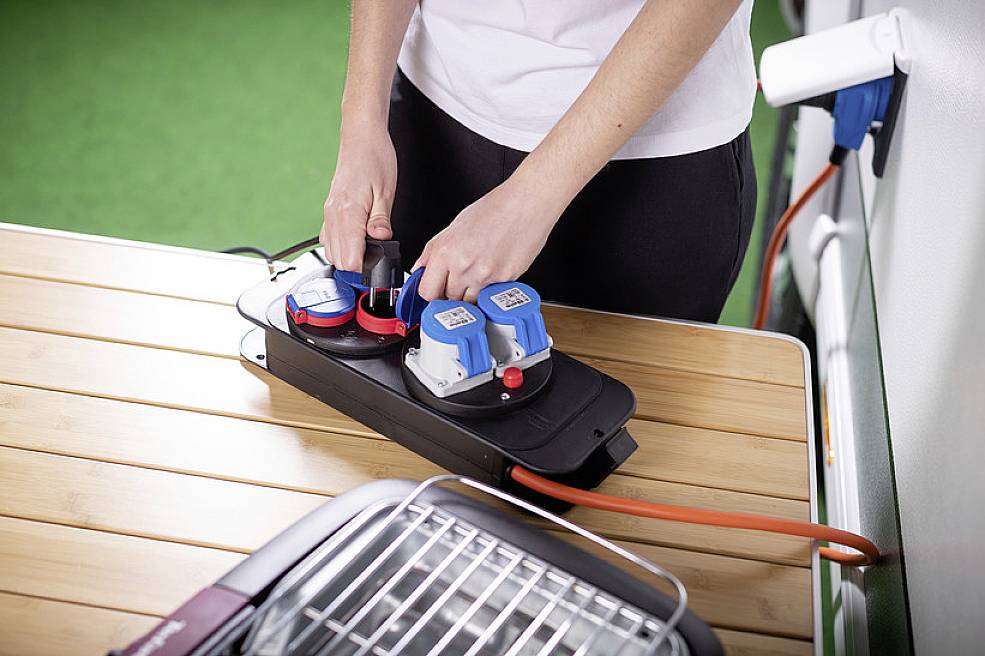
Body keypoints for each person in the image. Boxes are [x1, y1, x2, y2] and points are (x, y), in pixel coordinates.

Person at [320, 0, 757, 322]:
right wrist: (361, 118)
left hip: (650, 159)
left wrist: (529, 200)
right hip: (434, 111)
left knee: (627, 427)